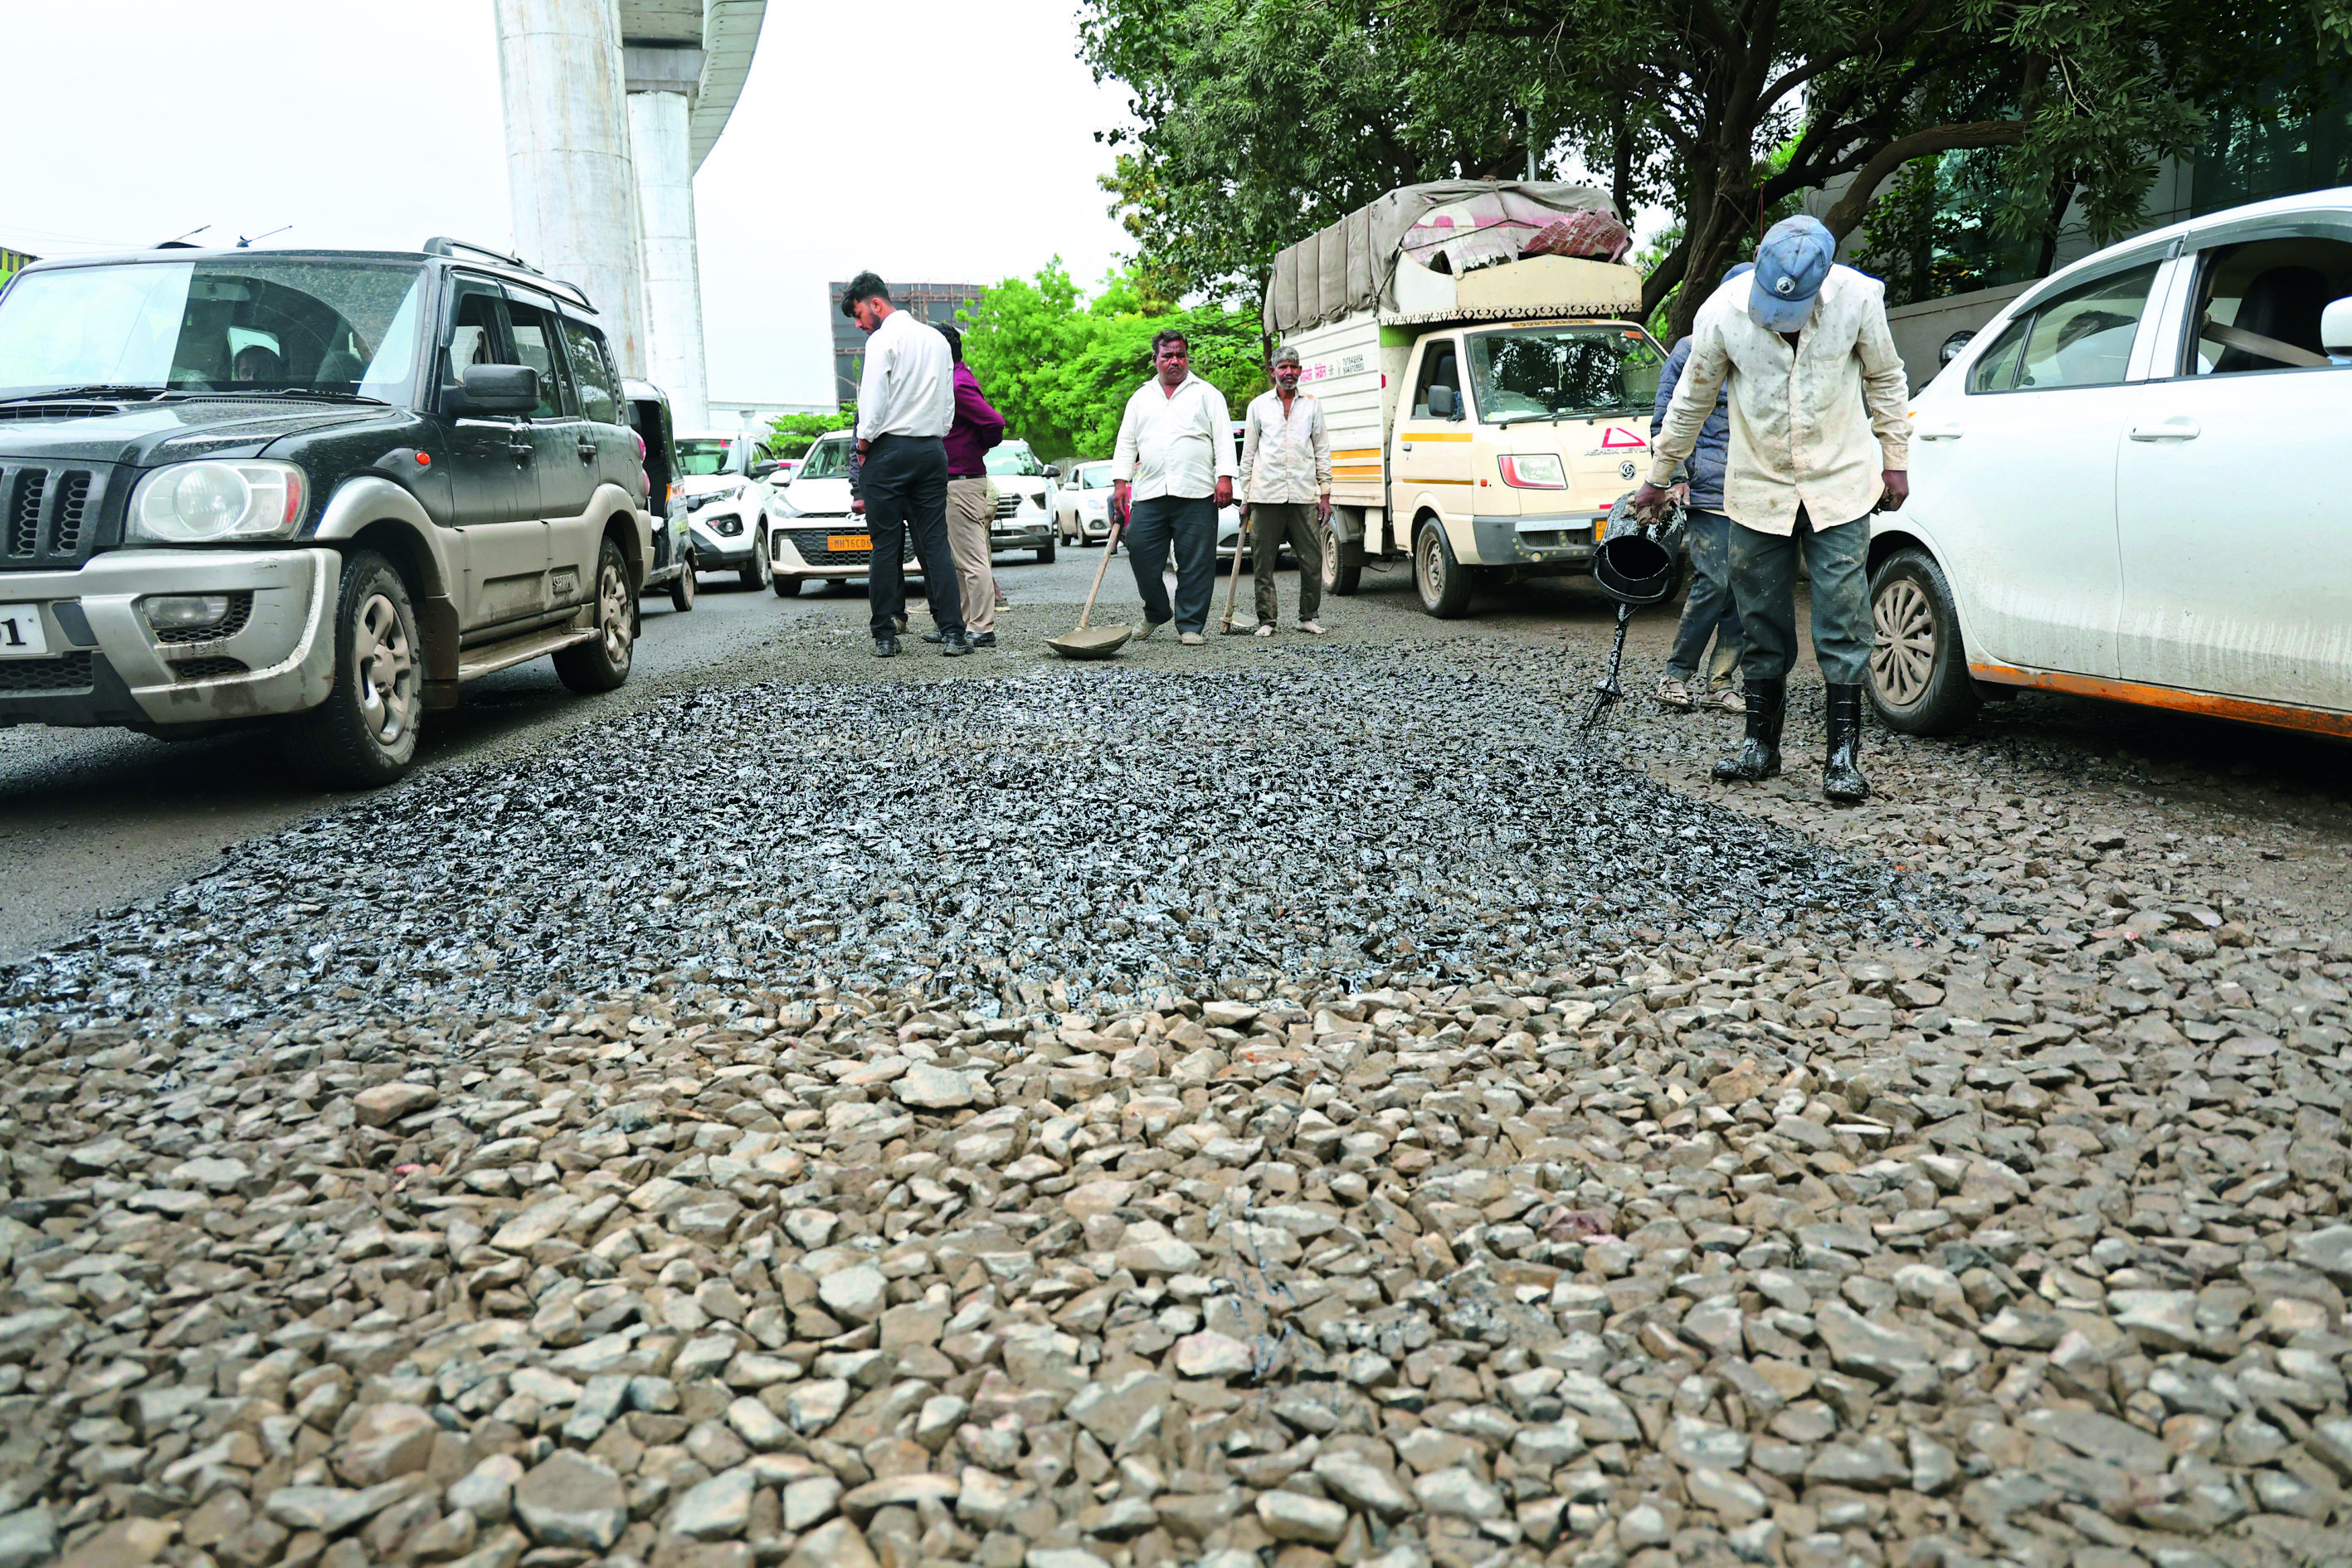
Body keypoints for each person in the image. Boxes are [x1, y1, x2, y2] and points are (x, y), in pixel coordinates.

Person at [1633, 215, 1908, 803]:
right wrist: (1658, 478)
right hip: (1757, 488)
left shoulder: (1859, 299)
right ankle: (1761, 745)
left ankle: (1841, 757)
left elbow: (1885, 380)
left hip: (1838, 484)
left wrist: (1895, 461)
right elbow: (1689, 402)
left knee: (1843, 613)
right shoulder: (1721, 312)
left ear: (1823, 279)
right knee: (1759, 616)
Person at [842, 272, 967, 658]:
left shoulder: (882, 340)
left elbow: (874, 401)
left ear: (876, 304)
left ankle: (884, 634)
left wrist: (863, 444)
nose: (860, 324)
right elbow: (948, 406)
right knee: (934, 544)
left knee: (885, 545)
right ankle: (953, 633)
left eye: (860, 314)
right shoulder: (936, 340)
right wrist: (934, 434)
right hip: (931, 450)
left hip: (888, 451)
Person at [1649, 262, 1752, 713]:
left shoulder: (1763, 352)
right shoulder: (1688, 351)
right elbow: (1664, 422)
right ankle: (1676, 674)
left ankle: (1721, 681)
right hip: (1707, 489)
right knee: (1715, 580)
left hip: (1755, 488)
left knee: (1745, 587)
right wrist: (1674, 477)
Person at [1110, 331, 1234, 645]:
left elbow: (1223, 439)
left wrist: (1225, 477)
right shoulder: (1141, 398)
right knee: (1138, 549)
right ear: (1156, 360)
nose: (1174, 361)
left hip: (1197, 492)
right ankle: (1156, 611)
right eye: (1167, 356)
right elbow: (1126, 443)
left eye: (1180, 355)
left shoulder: (1207, 394)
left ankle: (1190, 624)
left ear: (1187, 358)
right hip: (1150, 492)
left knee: (1197, 561)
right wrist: (1120, 484)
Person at [1236, 345, 1332, 635]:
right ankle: (1267, 620)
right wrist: (1246, 497)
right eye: (1283, 367)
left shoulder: (1312, 404)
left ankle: (1307, 616)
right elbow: (1248, 454)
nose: (1288, 372)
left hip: (1304, 494)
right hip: (1265, 495)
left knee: (1312, 559)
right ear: (1272, 371)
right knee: (1263, 561)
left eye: (1293, 367)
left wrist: (1325, 493)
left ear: (1300, 370)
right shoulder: (1259, 406)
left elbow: (1322, 448)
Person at [936, 325, 1005, 648]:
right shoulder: (954, 379)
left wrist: (974, 448)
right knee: (961, 560)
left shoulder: (958, 384)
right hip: (958, 479)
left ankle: (982, 627)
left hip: (963, 480)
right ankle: (967, 623)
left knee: (972, 559)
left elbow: (994, 423)